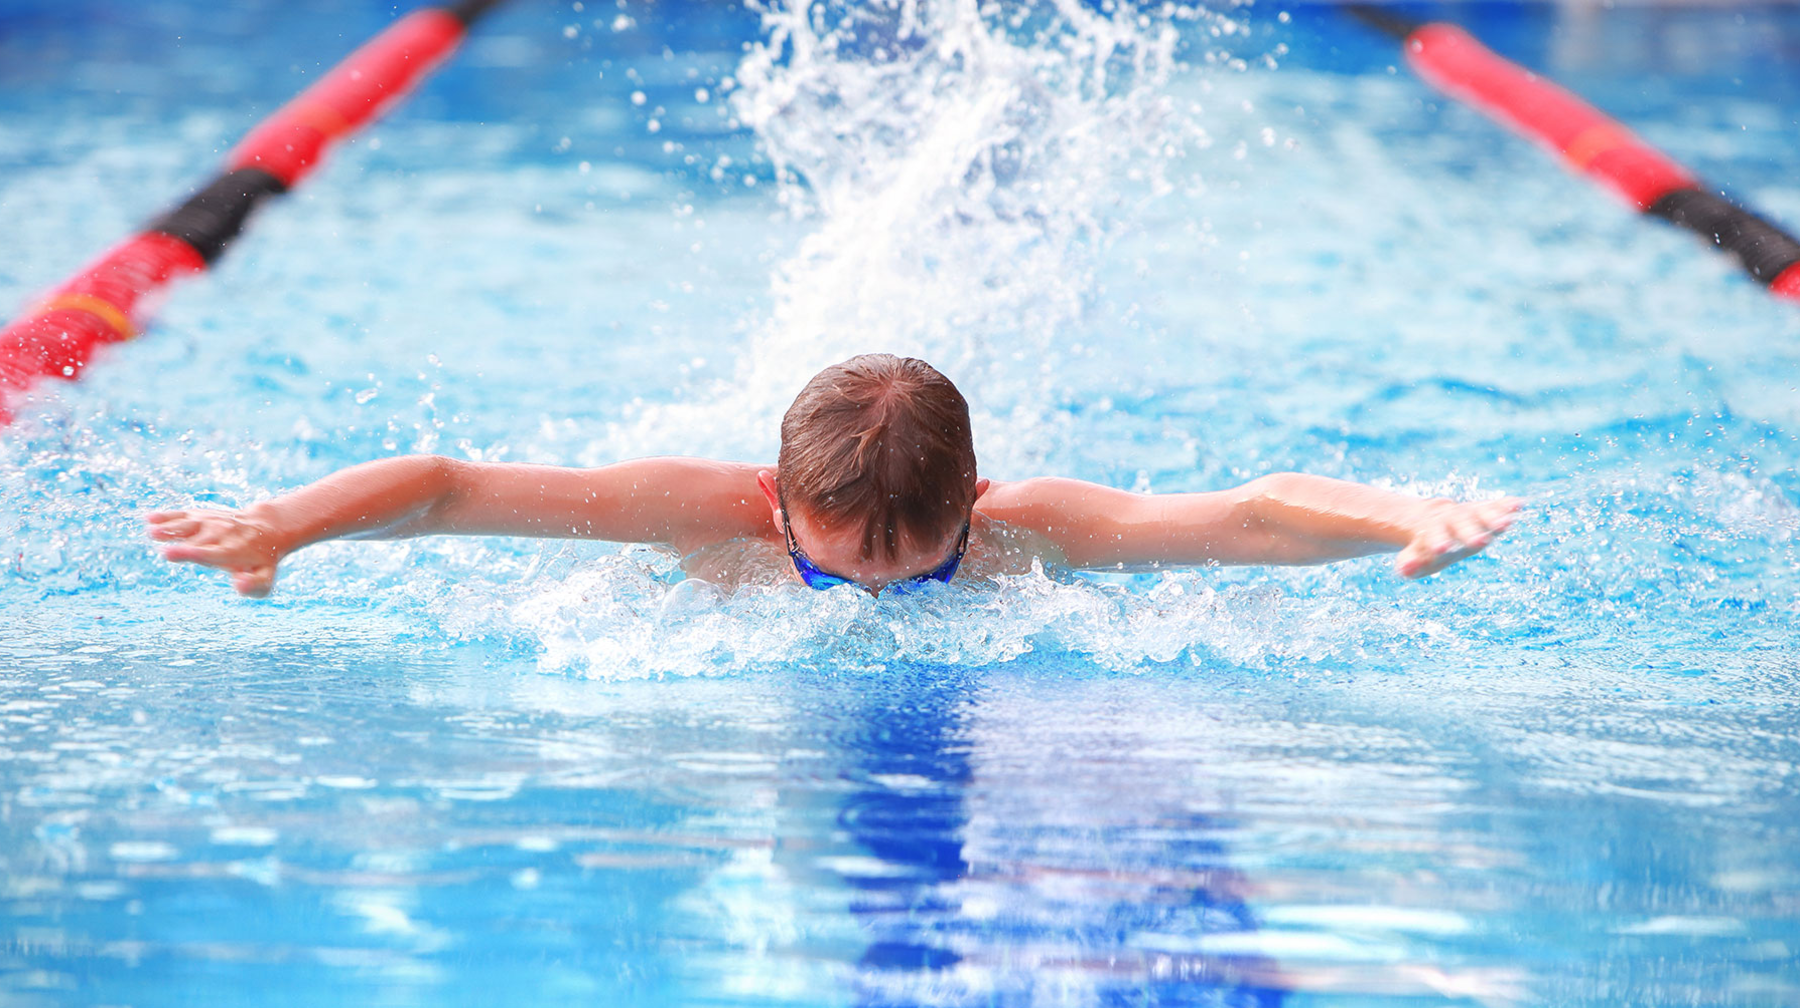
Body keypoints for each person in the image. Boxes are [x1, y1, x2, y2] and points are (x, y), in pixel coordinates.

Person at [147, 353, 1520, 597]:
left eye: (908, 568)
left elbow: (1251, 515)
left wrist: (1411, 510)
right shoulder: (702, 511)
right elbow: (452, 484)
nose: (866, 593)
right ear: (774, 499)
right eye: (828, 562)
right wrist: (280, 527)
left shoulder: (1023, 534)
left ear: (970, 508)